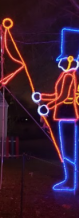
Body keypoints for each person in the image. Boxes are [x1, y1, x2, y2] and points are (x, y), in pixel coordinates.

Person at [33, 55, 79, 191]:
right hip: (63, 115)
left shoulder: (69, 77)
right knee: (65, 148)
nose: (59, 63)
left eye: (62, 61)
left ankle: (71, 181)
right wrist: (42, 96)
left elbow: (64, 97)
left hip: (68, 114)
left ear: (69, 62)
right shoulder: (65, 75)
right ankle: (69, 179)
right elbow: (57, 95)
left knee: (68, 148)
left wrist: (49, 107)